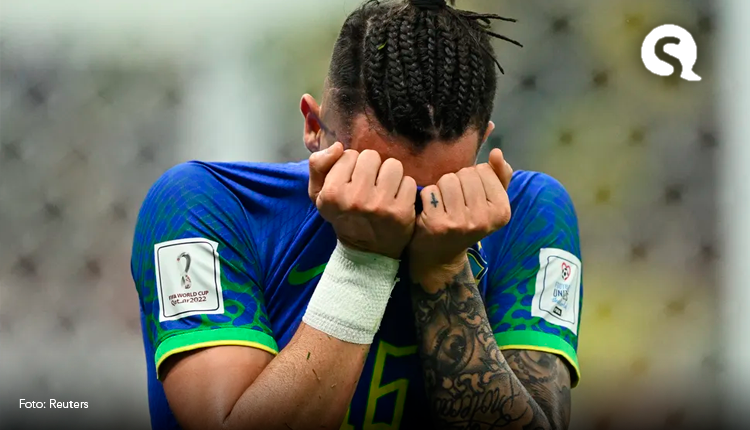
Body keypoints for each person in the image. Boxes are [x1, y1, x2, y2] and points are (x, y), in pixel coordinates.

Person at [130, 0, 583, 429]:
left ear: (482, 146)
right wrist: (363, 260)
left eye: (431, 194)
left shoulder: (527, 212)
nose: (395, 208)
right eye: (372, 178)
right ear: (314, 127)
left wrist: (446, 270)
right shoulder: (206, 204)